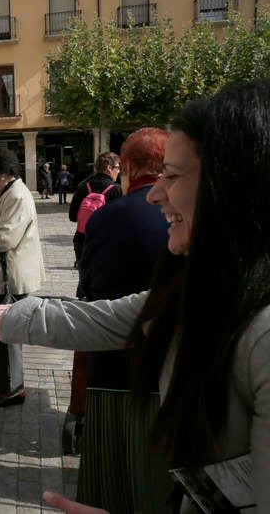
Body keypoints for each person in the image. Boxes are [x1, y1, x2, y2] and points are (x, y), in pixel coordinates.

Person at [0, 79, 270, 512]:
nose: (155, 194)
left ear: (234, 187)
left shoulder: (260, 335)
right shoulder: (201, 290)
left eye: (172, 177)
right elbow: (88, 318)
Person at [72, 127, 172, 511]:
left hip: (113, 365)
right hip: (171, 371)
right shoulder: (192, 213)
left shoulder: (109, 217)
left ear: (125, 167)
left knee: (112, 480)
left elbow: (91, 289)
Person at [0, 151, 44, 407]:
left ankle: (12, 389)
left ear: (3, 174)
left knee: (7, 330)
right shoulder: (7, 192)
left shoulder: (16, 195)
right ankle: (5, 376)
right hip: (2, 275)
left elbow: (4, 240)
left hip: (9, 278)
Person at [68, 152, 122, 265]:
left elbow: (72, 216)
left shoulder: (83, 187)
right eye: (117, 167)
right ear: (109, 168)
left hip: (82, 241)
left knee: (86, 280)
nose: (119, 171)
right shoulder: (116, 190)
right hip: (106, 243)